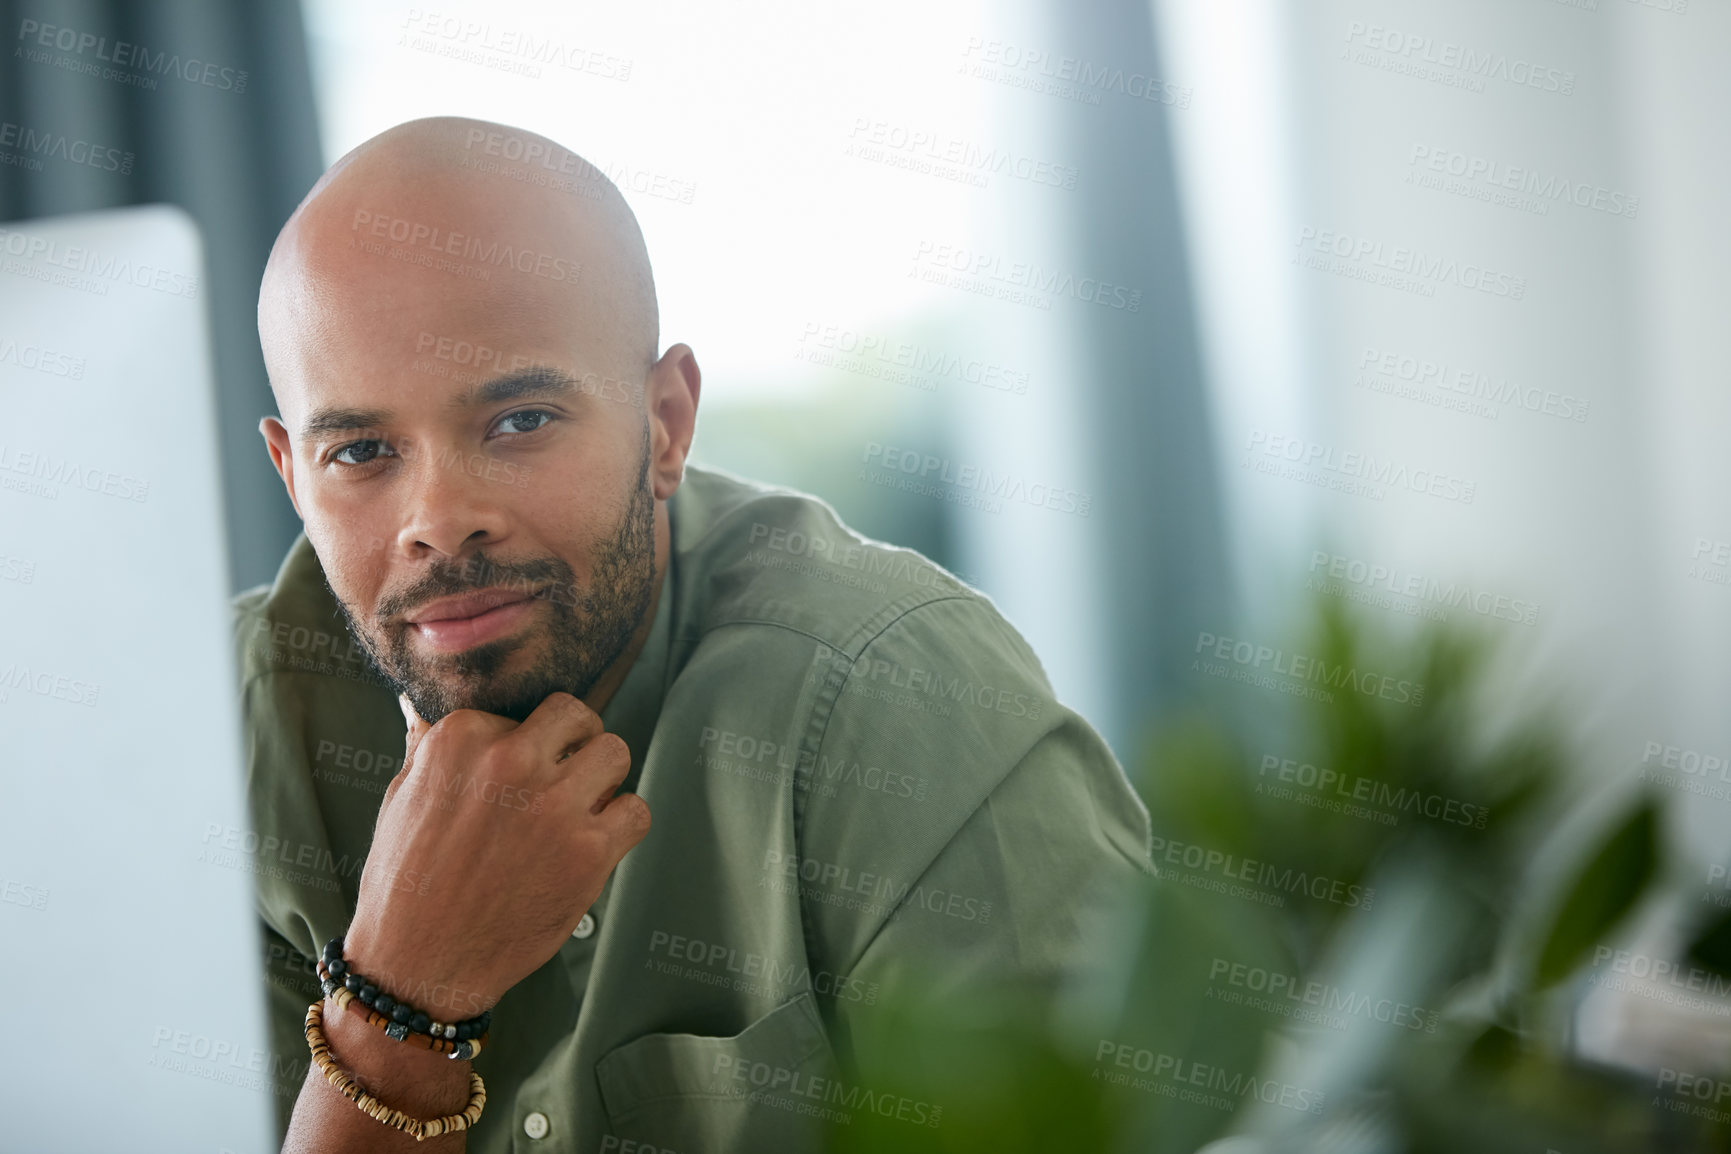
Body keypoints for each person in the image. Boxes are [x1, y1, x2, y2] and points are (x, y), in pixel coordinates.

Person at [238, 115, 1150, 1153]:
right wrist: (400, 998)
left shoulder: (901, 698)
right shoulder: (218, 734)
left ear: (665, 422)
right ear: (293, 476)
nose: (438, 519)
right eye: (359, 449)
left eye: (519, 420)